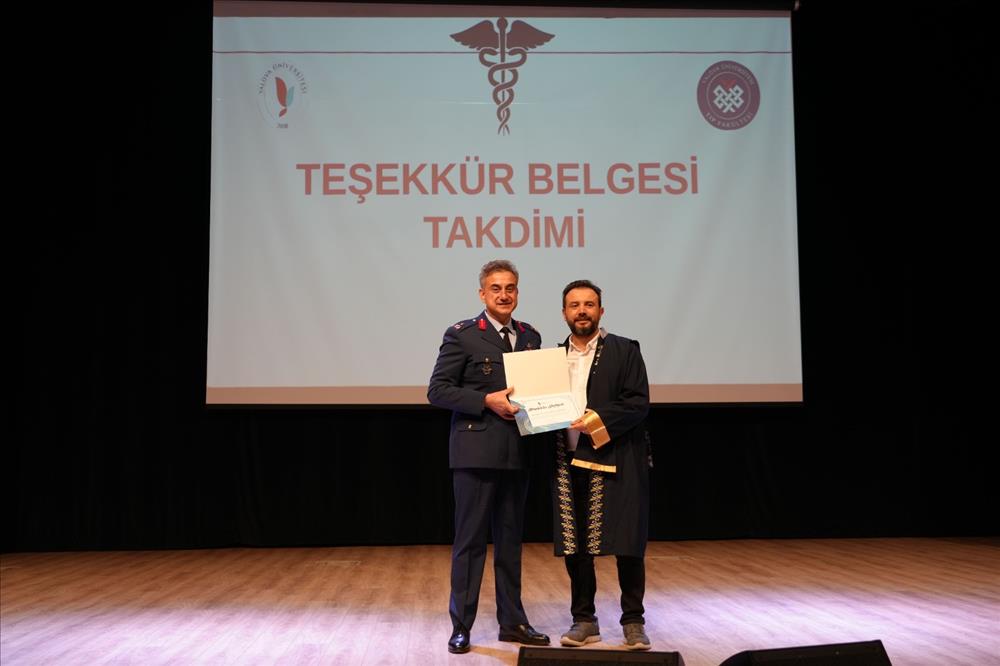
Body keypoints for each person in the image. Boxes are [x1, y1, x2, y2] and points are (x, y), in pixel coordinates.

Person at [427, 259, 550, 654]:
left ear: (518, 292)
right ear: (482, 294)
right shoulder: (462, 335)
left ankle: (512, 622)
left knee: (511, 543)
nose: (504, 294)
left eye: (510, 288)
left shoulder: (530, 337)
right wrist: (485, 401)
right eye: (496, 288)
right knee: (470, 544)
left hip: (518, 453)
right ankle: (461, 625)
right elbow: (438, 390)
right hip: (476, 453)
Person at [552, 279, 653, 651]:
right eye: (574, 305)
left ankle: (633, 621)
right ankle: (584, 620)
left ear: (601, 310)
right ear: (564, 313)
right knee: (576, 547)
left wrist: (594, 420)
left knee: (628, 543)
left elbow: (637, 403)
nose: (582, 311)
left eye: (589, 304)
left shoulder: (625, 350)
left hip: (617, 460)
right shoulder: (550, 359)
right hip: (568, 462)